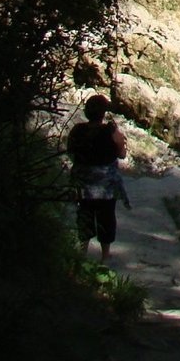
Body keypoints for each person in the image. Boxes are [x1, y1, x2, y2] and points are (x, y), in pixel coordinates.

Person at [67, 94, 129, 263]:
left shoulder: (77, 130)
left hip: (83, 184)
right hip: (106, 187)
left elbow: (70, 152)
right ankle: (104, 257)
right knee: (106, 218)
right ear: (103, 113)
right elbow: (122, 154)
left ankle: (82, 253)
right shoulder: (110, 131)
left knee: (85, 215)